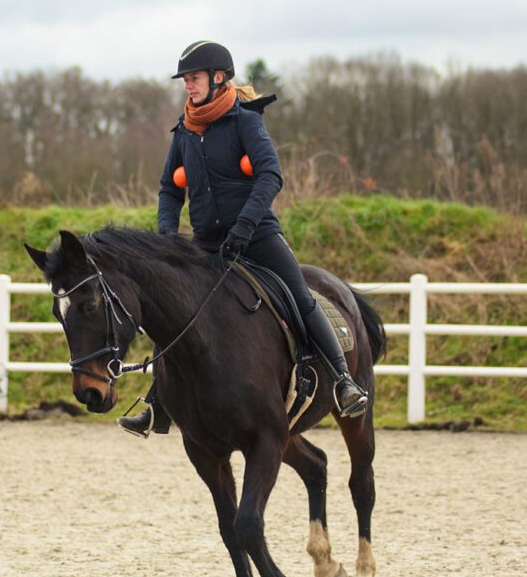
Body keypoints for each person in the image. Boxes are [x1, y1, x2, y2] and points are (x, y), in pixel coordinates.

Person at [118, 40, 368, 437]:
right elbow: (169, 188)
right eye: (185, 79)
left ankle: (342, 381)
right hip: (205, 242)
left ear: (219, 79)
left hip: (256, 236)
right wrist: (168, 235)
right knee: (172, 307)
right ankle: (156, 404)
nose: (188, 85)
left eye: (194, 78)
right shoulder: (184, 130)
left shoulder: (245, 121)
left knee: (300, 298)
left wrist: (244, 228)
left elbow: (270, 176)